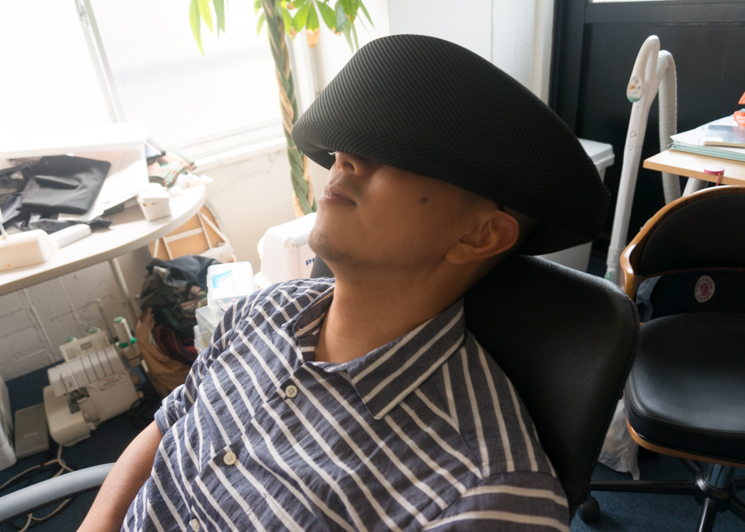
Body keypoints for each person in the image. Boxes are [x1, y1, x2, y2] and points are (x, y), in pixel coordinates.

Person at [79, 34, 610, 531]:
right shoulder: (261, 311)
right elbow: (170, 425)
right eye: (353, 139)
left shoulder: (481, 493)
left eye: (399, 153)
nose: (343, 157)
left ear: (479, 235)